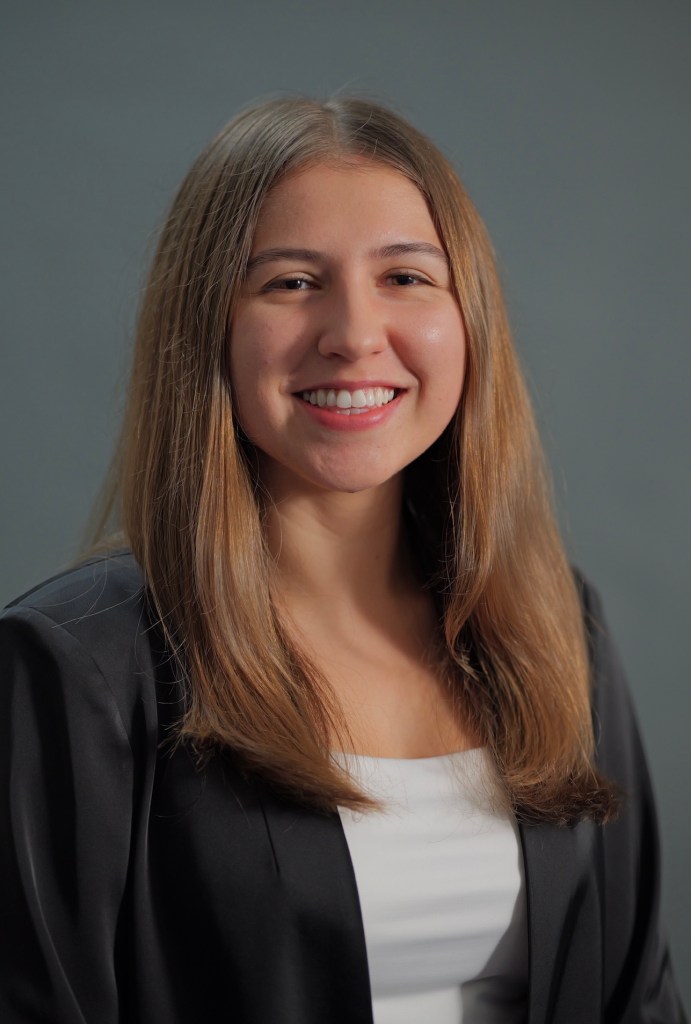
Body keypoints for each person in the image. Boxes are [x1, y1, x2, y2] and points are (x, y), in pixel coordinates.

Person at [0, 96, 685, 1024]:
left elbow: (635, 996)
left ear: (468, 315)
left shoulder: (560, 624)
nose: (355, 334)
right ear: (209, 325)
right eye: (289, 283)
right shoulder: (72, 666)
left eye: (405, 277)